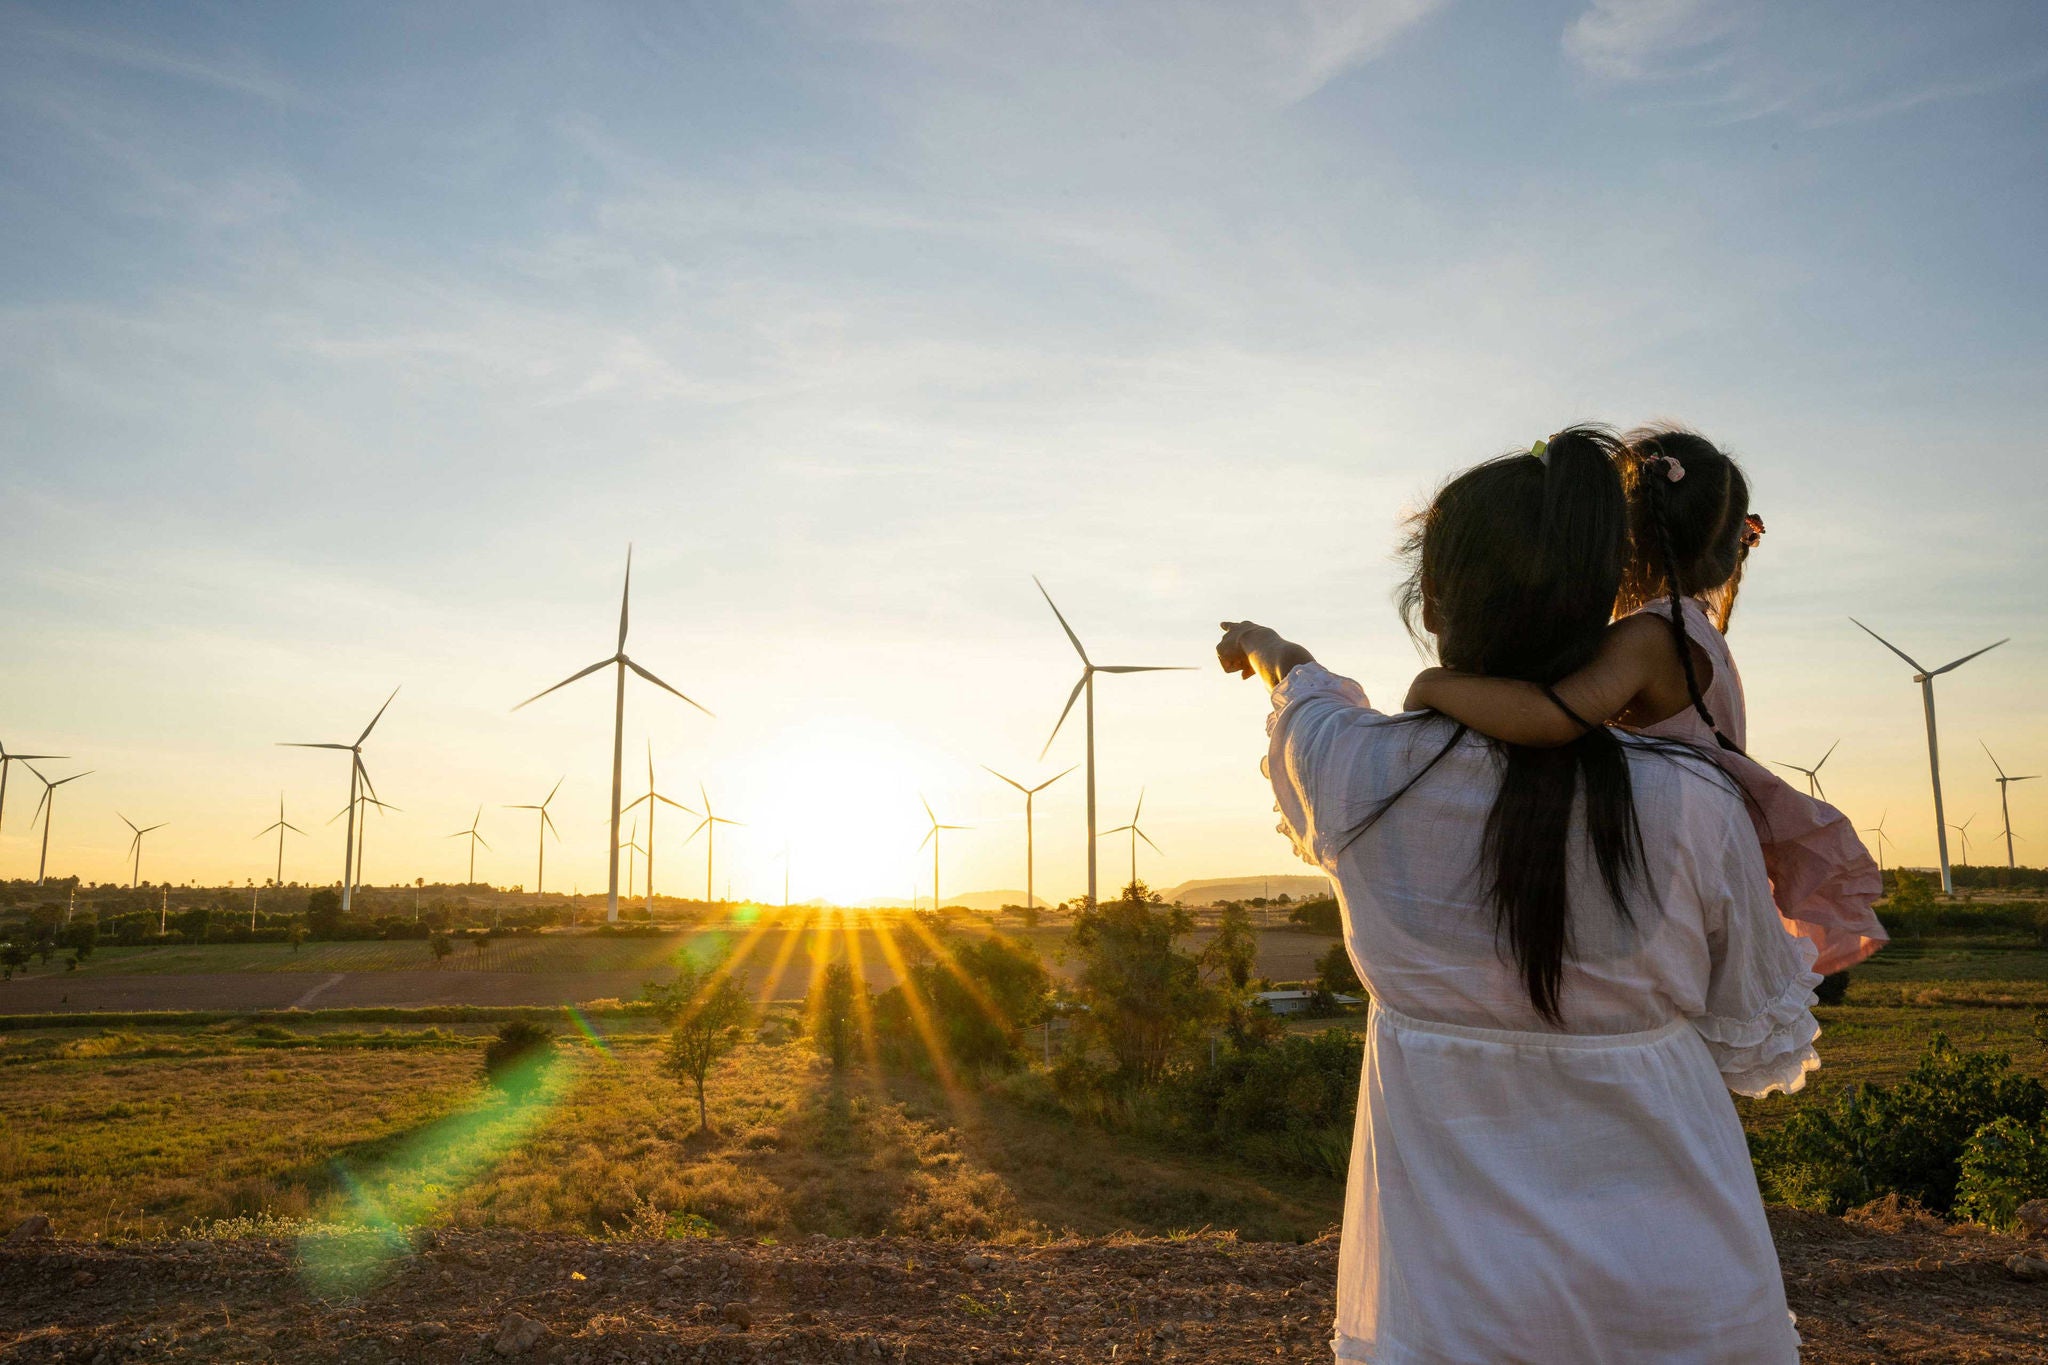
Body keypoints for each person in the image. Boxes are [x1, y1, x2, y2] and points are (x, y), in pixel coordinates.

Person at [1218, 427, 1816, 1364]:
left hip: (1449, 1312)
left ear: (1433, 602)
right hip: (1684, 1298)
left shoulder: (1356, 771)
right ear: (1600, 603)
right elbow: (1753, 1036)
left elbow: (1305, 688)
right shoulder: (1695, 802)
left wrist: (1259, 643)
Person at [1404, 426, 1885, 974]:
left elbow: (1553, 716)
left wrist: (1435, 687)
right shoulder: (1695, 632)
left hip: (1668, 852)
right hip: (1698, 846)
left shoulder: (1648, 638)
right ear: (1729, 553)